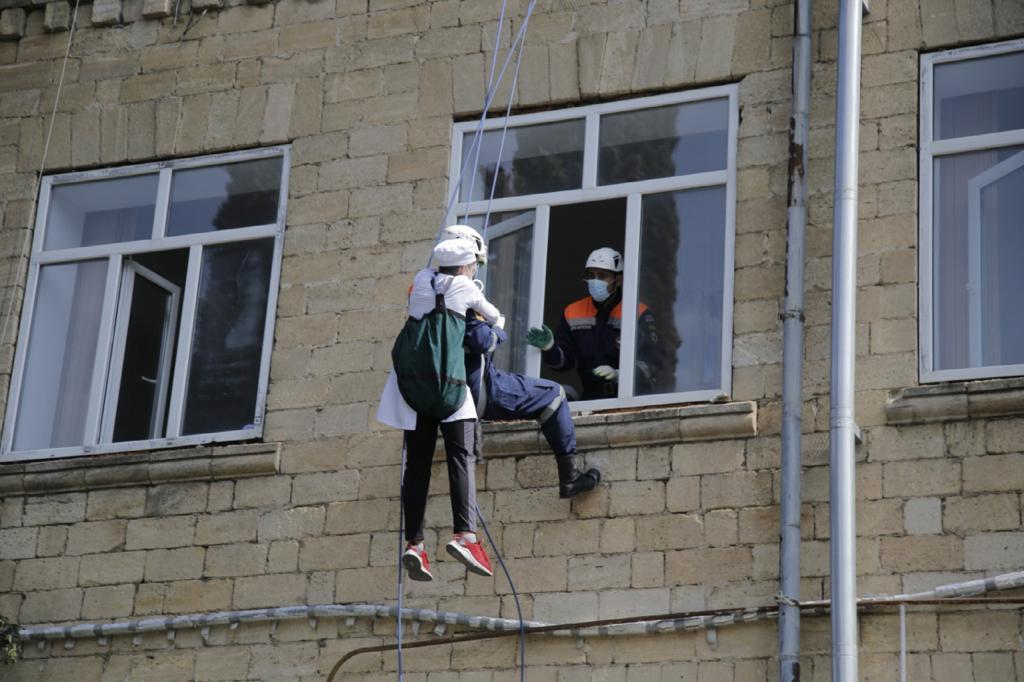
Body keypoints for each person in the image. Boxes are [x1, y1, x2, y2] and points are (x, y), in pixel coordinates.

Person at [377, 238, 504, 582]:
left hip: (412, 391)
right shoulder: (465, 287)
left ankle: (414, 542)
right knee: (460, 457)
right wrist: (494, 327)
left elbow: (425, 283)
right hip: (450, 386)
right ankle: (464, 535)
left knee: (416, 465)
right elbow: (494, 318)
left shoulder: (420, 282)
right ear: (466, 267)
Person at [443, 225, 601, 499]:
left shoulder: (426, 291)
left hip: (448, 397)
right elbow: (481, 341)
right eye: (476, 263)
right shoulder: (460, 295)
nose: (475, 269)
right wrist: (498, 328)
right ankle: (571, 478)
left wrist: (551, 348)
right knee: (554, 394)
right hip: (478, 391)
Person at [526, 247, 660, 400]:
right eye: (591, 275)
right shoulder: (573, 311)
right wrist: (549, 348)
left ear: (618, 279)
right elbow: (564, 363)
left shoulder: (638, 312)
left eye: (602, 276)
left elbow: (653, 362)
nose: (595, 281)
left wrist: (620, 375)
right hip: (591, 398)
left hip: (628, 399)